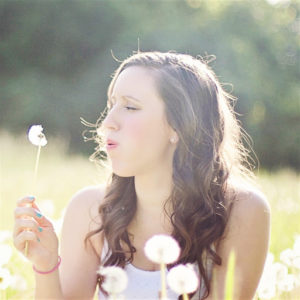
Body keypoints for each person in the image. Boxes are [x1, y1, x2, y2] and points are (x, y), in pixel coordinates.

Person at [13, 51, 271, 300]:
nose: (107, 123)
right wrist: (46, 264)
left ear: (179, 125)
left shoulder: (241, 211)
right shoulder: (89, 210)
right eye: (112, 105)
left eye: (130, 107)